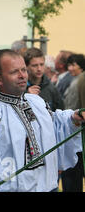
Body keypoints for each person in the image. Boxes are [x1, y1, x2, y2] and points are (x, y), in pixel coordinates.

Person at [0, 49, 85, 192]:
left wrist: (73, 118)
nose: (22, 76)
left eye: (23, 70)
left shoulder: (37, 102)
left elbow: (54, 124)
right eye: (14, 72)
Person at [60, 53, 85, 192]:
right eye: (69, 65)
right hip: (75, 130)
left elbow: (72, 107)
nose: (70, 68)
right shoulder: (74, 80)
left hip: (75, 132)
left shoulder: (79, 80)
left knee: (72, 177)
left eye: (73, 65)